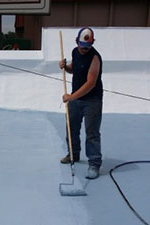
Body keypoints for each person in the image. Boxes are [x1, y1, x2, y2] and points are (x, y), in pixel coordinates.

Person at [59, 27, 103, 179]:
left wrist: (71, 97)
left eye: (87, 47)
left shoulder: (95, 58)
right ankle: (73, 155)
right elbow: (75, 69)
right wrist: (65, 67)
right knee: (71, 128)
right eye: (82, 47)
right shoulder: (75, 52)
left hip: (92, 100)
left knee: (92, 132)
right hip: (76, 98)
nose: (84, 50)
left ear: (92, 43)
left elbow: (91, 83)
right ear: (77, 42)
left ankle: (94, 164)